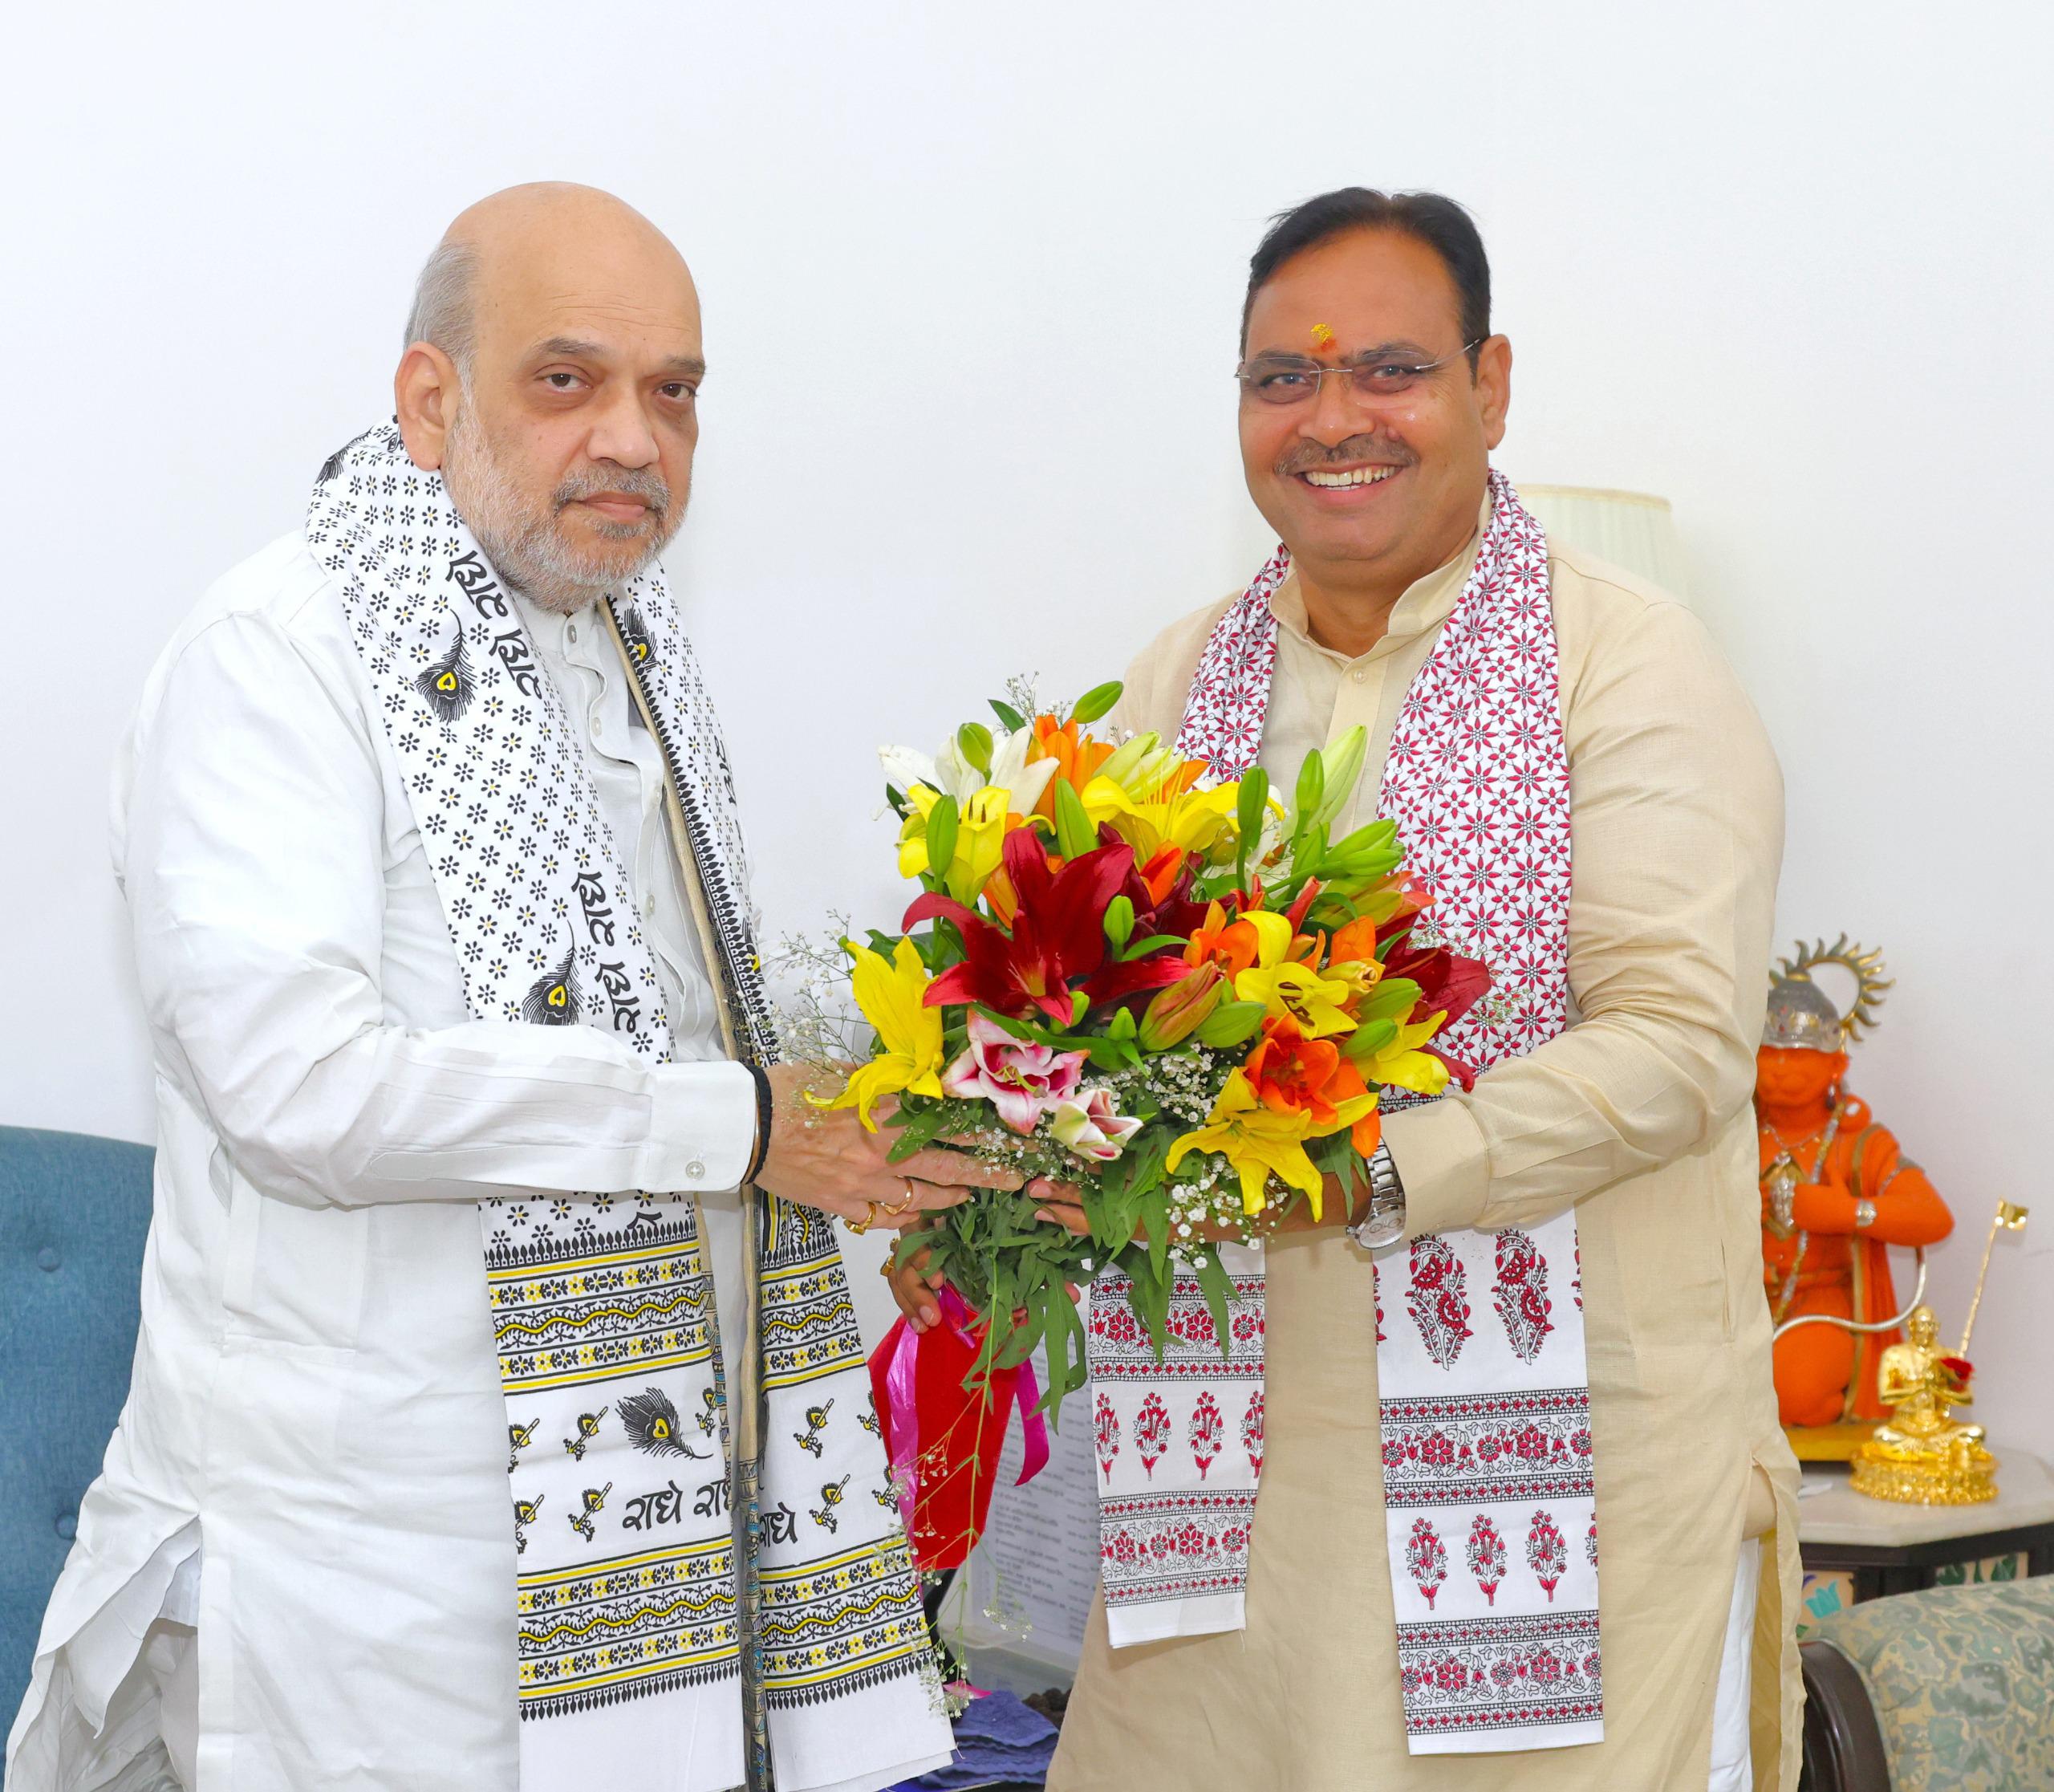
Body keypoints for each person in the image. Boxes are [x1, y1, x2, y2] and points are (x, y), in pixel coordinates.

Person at [6, 183, 1016, 1792]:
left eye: (673, 391)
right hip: (366, 1580)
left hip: (640, 1549)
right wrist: (743, 1127)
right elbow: (299, 1091)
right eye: (567, 379)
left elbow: (687, 1045)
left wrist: (894, 1129)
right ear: (431, 399)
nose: (632, 436)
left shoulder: (636, 659)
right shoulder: (279, 656)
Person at [1029, 189, 1802, 1790]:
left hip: (1564, 1480)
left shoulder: (1625, 661)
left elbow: (1674, 1046)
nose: (1332, 418)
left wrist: (1365, 1170)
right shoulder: (1177, 681)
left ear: (1487, 385)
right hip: (1241, 1490)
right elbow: (1094, 1022)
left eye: (1388, 369)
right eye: (1281, 379)